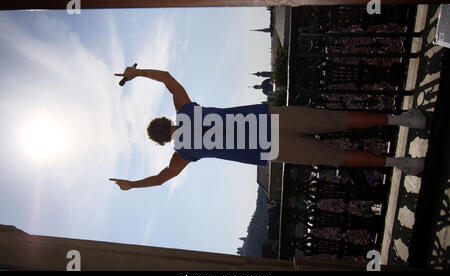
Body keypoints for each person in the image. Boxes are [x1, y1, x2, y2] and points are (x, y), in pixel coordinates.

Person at [110, 66, 426, 191]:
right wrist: (135, 73)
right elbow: (166, 77)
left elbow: (163, 178)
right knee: (338, 119)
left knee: (337, 157)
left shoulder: (184, 154)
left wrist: (132, 185)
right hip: (273, 119)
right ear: (167, 121)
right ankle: (404, 119)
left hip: (270, 149)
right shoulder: (187, 110)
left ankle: (401, 164)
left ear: (164, 142)